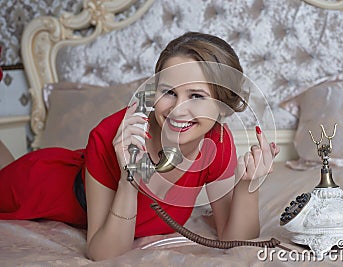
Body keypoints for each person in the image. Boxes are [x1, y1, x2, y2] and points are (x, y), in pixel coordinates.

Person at [0, 32, 279, 261]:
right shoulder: (112, 135)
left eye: (196, 95)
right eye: (168, 92)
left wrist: (247, 187)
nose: (178, 110)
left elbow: (234, 240)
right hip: (41, 186)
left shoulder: (217, 140)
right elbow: (103, 254)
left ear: (221, 105)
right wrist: (129, 181)